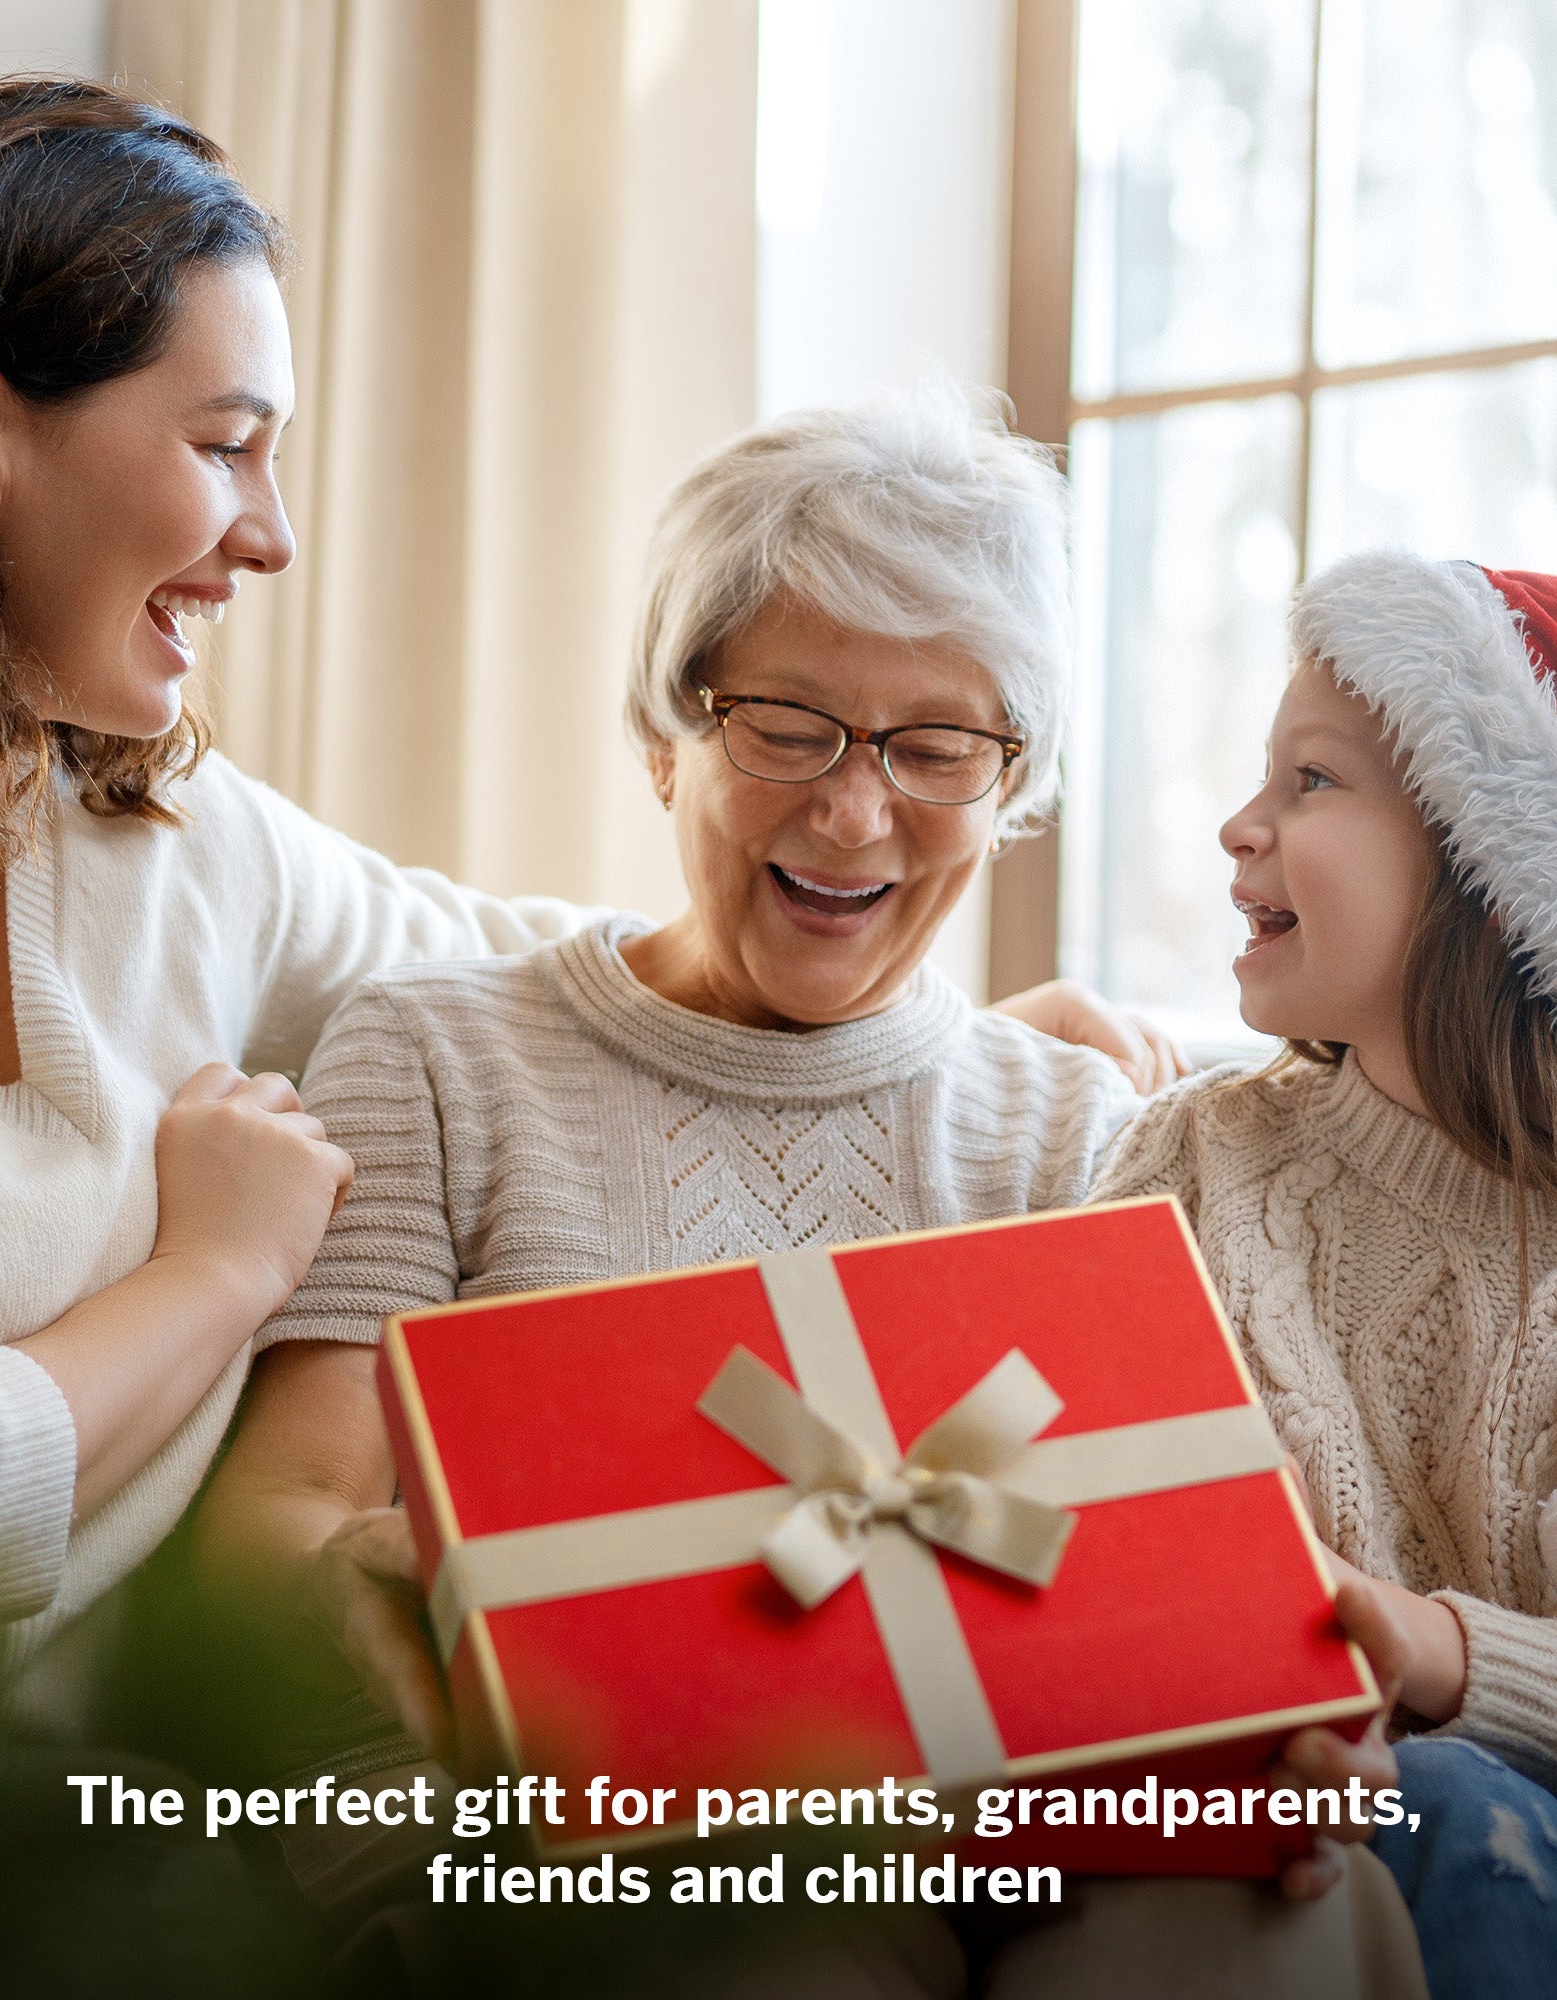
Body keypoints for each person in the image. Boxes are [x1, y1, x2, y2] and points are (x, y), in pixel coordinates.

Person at [0, 79, 1161, 1664]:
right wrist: (219, 1270)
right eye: (225, 447)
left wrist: (924, 1044)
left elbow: (579, 979)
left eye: (933, 750)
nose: (274, 536)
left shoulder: (175, 837)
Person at [195, 389, 1423, 1998]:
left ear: (1012, 787)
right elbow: (269, 1520)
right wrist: (402, 1576)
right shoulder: (436, 1058)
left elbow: (1179, 1570)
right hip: (600, 1849)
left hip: (1013, 1834)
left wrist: (1282, 1718)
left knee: (1271, 1921)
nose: (853, 813)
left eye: (937, 748)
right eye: (786, 726)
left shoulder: (1078, 1127)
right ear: (667, 739)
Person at [1092, 549, 1557, 2000]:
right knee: (1449, 1808)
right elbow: (1119, 1581)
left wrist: (1438, 1647)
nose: (1239, 825)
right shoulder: (1189, 1169)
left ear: (1492, 871)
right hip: (1395, 1803)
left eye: (1311, 781)